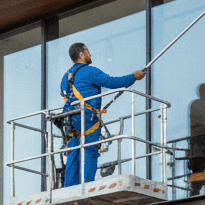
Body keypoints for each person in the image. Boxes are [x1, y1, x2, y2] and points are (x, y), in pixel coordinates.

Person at [61, 43, 146, 187]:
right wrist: (134, 77)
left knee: (73, 153)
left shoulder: (66, 76)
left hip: (70, 118)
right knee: (90, 151)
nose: (90, 54)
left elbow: (64, 94)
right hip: (87, 117)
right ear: (81, 54)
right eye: (87, 51)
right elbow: (112, 82)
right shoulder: (89, 71)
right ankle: (87, 187)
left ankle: (70, 188)